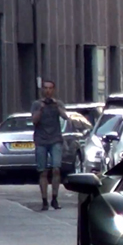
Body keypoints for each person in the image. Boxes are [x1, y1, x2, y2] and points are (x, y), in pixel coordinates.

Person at [31, 80, 69, 211]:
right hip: (41, 140)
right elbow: (34, 121)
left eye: (50, 88)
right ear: (42, 90)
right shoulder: (36, 104)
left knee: (56, 168)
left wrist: (56, 106)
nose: (48, 91)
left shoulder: (58, 103)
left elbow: (65, 117)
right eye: (45, 88)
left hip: (55, 139)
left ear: (54, 90)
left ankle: (55, 198)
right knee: (42, 171)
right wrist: (41, 108)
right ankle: (44, 200)